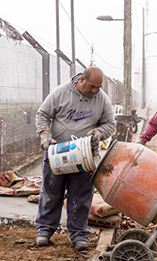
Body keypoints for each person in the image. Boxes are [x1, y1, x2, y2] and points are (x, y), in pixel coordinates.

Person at [34, 66, 116, 251]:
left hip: (84, 155)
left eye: (99, 87)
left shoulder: (101, 99)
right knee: (51, 192)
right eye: (93, 86)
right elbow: (43, 114)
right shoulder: (61, 93)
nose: (96, 90)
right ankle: (44, 230)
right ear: (81, 81)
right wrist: (44, 134)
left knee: (80, 195)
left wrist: (99, 132)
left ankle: (78, 234)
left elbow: (110, 124)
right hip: (57, 152)